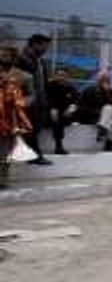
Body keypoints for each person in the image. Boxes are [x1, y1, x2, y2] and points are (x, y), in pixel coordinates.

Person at [15, 34, 52, 165]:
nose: (46, 48)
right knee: (29, 127)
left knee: (36, 127)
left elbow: (43, 82)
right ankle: (34, 155)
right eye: (44, 45)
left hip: (39, 100)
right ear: (35, 44)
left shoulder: (40, 60)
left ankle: (30, 153)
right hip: (26, 99)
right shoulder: (22, 58)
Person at [1, 50, 33, 190]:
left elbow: (32, 95)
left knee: (5, 150)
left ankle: (2, 179)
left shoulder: (24, 76)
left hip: (10, 117)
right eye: (1, 55)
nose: (2, 58)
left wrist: (20, 103)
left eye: (6, 55)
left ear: (13, 58)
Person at [46, 68, 80, 155]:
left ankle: (59, 146)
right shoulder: (50, 86)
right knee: (56, 118)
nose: (61, 77)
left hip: (66, 114)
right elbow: (47, 99)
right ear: (55, 76)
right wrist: (51, 108)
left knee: (62, 117)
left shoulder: (71, 87)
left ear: (67, 77)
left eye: (63, 75)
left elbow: (77, 101)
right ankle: (59, 145)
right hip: (52, 113)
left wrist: (72, 107)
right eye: (59, 75)